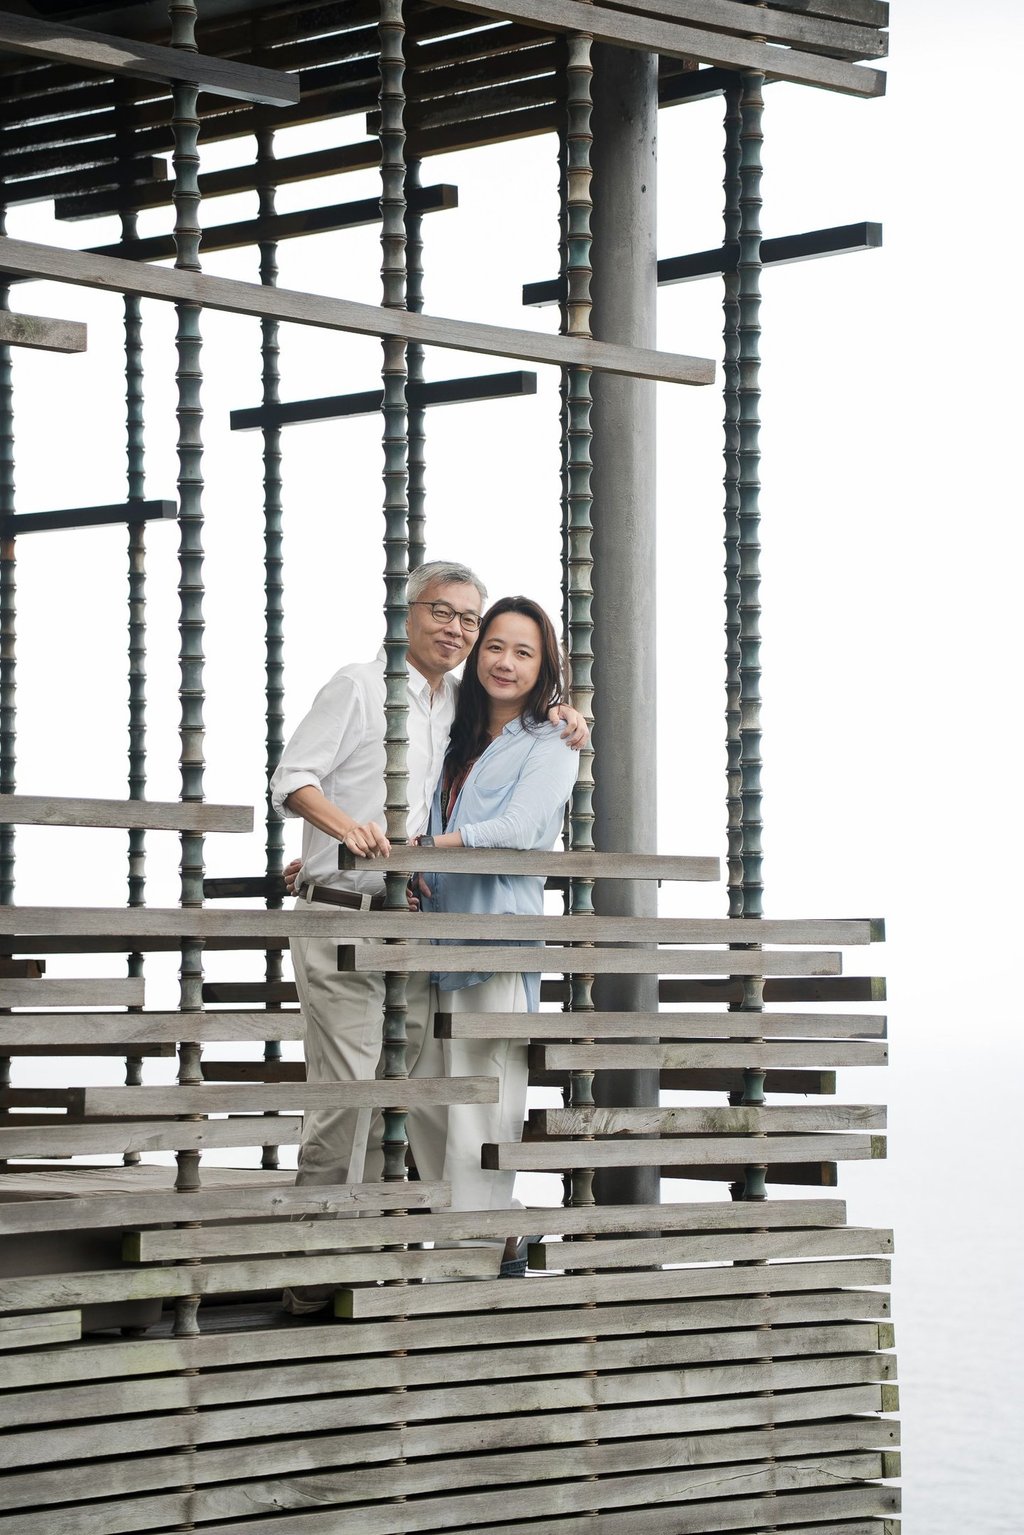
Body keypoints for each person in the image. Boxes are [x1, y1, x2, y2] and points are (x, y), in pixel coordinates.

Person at [270, 563, 585, 1311]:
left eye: (468, 620)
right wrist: (338, 838)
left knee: (399, 1103)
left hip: (416, 932)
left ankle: (379, 1258)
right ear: (407, 613)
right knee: (350, 1097)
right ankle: (314, 1270)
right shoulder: (359, 684)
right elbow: (292, 779)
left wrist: (569, 715)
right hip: (346, 919)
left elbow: (505, 819)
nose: (457, 630)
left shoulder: (454, 711)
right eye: (441, 612)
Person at [410, 596, 580, 1272]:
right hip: (431, 947)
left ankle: (469, 1264)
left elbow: (520, 829)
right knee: (425, 1102)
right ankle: (488, 1241)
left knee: (483, 1112)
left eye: (523, 652)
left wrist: (432, 846)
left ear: (544, 668)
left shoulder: (551, 742)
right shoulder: (452, 726)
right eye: (495, 647)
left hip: (498, 947)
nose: (504, 662)